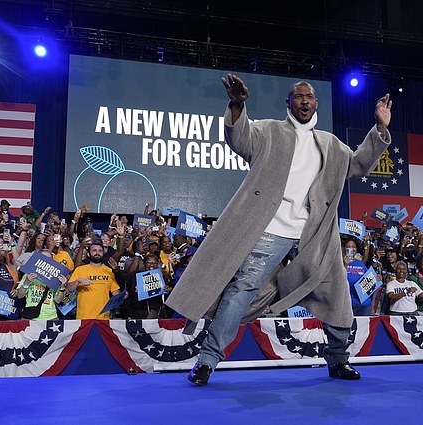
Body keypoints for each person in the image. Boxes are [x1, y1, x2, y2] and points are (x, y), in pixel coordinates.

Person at [167, 74, 392, 385]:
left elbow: (358, 164)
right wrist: (236, 104)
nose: (303, 101)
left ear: (316, 104)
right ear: (288, 103)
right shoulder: (268, 131)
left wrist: (380, 128)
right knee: (242, 289)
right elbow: (240, 138)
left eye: (309, 97)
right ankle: (207, 360)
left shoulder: (331, 145)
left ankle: (338, 360)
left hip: (315, 235)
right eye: (298, 97)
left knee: (337, 293)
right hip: (271, 230)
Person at [66, 239, 122, 319]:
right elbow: (69, 289)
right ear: (88, 254)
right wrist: (78, 281)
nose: (97, 253)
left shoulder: (108, 271)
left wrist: (122, 295)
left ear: (103, 253)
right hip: (84, 318)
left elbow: (115, 292)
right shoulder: (80, 270)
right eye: (94, 250)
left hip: (104, 318)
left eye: (100, 251)